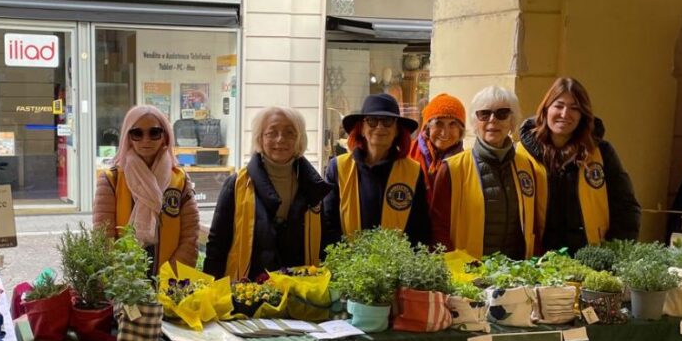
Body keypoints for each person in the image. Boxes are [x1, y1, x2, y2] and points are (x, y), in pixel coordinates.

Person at [203, 107, 332, 280]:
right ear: (260, 138)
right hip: (247, 294)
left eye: (289, 133)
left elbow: (327, 244)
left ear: (299, 139)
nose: (281, 139)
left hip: (301, 294)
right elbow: (217, 245)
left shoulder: (314, 187)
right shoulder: (237, 185)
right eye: (272, 133)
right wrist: (212, 292)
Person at [516, 77, 641, 252]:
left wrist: (611, 253)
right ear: (545, 108)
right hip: (536, 262)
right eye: (558, 106)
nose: (565, 114)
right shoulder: (521, 153)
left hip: (590, 261)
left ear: (583, 115)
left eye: (574, 108)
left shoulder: (601, 152)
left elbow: (626, 209)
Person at [432, 86, 547, 259]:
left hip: (516, 275)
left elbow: (533, 227)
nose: (493, 120)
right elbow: (438, 229)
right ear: (475, 122)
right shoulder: (452, 169)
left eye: (502, 113)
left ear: (512, 121)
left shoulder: (527, 167)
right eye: (484, 114)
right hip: (467, 276)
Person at [93, 105, 199, 273]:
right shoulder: (111, 180)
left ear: (165, 136)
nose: (146, 140)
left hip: (169, 282)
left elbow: (190, 238)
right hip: (124, 280)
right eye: (137, 133)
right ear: (128, 137)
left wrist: (169, 277)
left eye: (154, 132)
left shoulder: (180, 180)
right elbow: (104, 238)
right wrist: (125, 279)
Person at [321, 93, 432, 249]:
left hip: (397, 266)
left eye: (387, 121)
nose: (379, 127)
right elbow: (328, 222)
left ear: (397, 130)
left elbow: (419, 228)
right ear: (361, 128)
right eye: (372, 121)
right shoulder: (338, 168)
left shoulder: (412, 171)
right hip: (347, 266)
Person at [406, 93, 466, 182]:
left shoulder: (467, 164)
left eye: (452, 124)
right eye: (438, 123)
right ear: (427, 127)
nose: (444, 133)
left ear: (460, 131)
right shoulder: (407, 154)